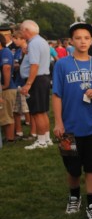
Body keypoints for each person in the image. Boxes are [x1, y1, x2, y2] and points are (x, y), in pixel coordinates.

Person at [52, 22, 92, 219]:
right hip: (69, 127)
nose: (83, 41)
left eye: (86, 37)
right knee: (73, 168)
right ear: (71, 41)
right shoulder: (62, 64)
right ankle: (74, 196)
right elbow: (57, 94)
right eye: (78, 38)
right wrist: (59, 122)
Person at [19, 19, 53, 150]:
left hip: (36, 80)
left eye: (22, 30)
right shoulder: (42, 41)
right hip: (43, 78)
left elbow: (34, 65)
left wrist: (28, 84)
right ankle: (46, 138)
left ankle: (41, 141)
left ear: (27, 31)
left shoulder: (34, 44)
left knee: (37, 112)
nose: (21, 32)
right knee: (43, 111)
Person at [1, 36, 17, 144]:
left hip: (7, 88)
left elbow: (6, 68)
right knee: (4, 114)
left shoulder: (5, 52)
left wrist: (5, 85)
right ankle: (7, 137)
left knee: (7, 114)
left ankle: (10, 138)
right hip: (6, 87)